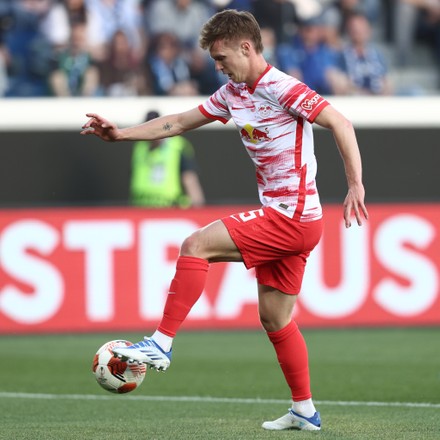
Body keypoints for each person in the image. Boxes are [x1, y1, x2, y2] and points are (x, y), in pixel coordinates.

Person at [81, 9, 368, 432]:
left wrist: (355, 184)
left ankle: (161, 344)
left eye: (221, 58)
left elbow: (340, 122)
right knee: (275, 318)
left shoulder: (281, 87)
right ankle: (304, 410)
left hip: (290, 216)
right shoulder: (233, 92)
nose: (218, 67)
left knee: (195, 245)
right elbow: (178, 122)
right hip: (291, 218)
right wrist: (121, 134)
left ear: (246, 47)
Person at [130, 110, 205, 207]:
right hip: (141, 209)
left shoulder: (177, 147)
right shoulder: (139, 148)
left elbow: (190, 179)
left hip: (170, 209)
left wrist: (198, 208)